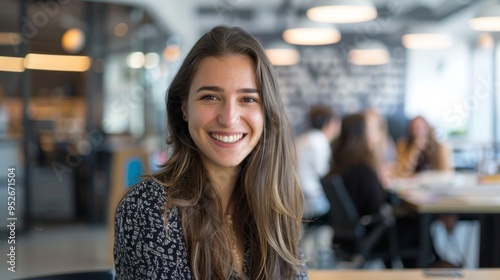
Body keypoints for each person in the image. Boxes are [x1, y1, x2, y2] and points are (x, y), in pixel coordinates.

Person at [114, 26, 307, 279]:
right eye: (210, 97)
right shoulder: (149, 209)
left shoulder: (275, 205)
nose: (229, 119)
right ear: (184, 107)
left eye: (247, 99)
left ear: (266, 111)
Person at [327, 113, 421, 267]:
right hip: (371, 236)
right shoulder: (362, 169)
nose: (379, 134)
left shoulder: (341, 164)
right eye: (374, 129)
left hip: (349, 239)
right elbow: (376, 206)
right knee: (418, 225)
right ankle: (434, 266)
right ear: (362, 135)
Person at [296, 105, 339, 221]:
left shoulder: (304, 138)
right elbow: (323, 173)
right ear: (329, 123)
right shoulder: (319, 141)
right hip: (311, 201)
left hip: (298, 198)